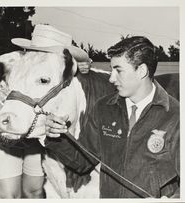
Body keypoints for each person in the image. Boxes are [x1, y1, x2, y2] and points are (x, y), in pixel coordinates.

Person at [0, 43, 92, 198]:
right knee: (8, 195)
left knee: (34, 190)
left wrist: (81, 62)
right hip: (5, 141)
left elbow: (57, 55)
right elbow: (1, 136)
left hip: (35, 134)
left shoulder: (11, 61)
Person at [40, 36, 180, 198]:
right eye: (111, 69)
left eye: (118, 70)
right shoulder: (103, 108)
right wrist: (56, 136)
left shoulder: (175, 116)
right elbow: (82, 162)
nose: (112, 78)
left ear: (141, 71)